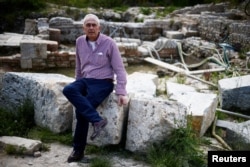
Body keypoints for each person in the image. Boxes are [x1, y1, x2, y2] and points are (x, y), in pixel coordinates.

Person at [63, 14, 128, 163]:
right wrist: (77, 86)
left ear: (99, 27)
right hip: (85, 80)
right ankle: (97, 120)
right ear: (83, 27)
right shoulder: (79, 41)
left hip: (103, 82)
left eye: (94, 25)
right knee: (68, 89)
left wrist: (121, 91)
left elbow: (119, 69)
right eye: (88, 25)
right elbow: (78, 67)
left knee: (81, 112)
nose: (91, 27)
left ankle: (78, 151)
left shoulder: (109, 43)